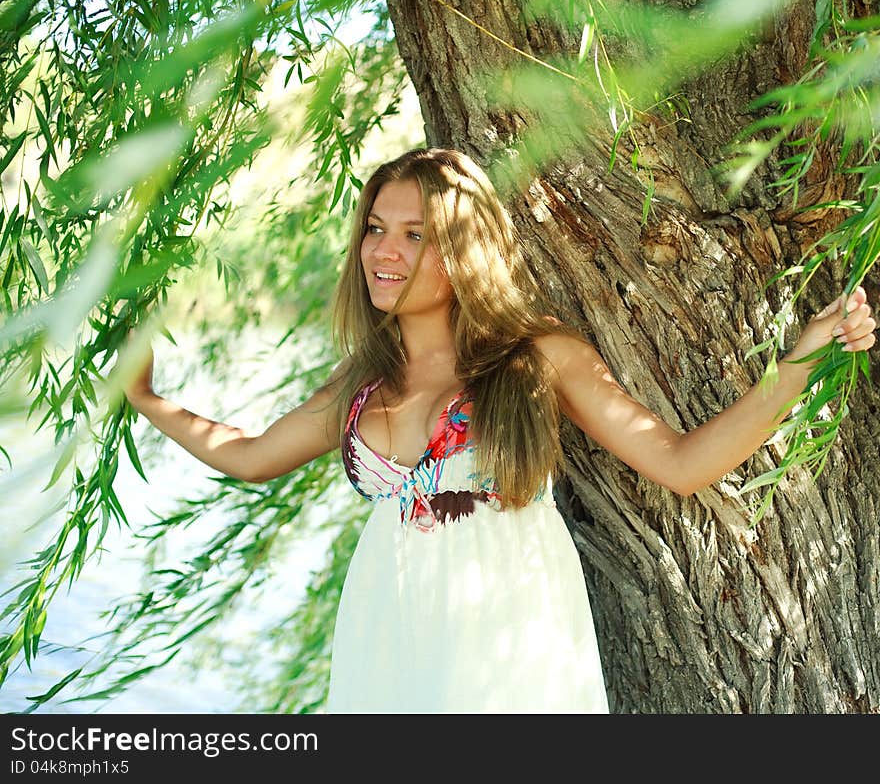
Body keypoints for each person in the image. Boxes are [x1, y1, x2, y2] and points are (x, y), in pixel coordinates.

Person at [123, 147, 877, 713]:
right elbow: (253, 456)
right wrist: (150, 400)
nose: (384, 251)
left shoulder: (538, 357)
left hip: (509, 625)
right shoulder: (362, 381)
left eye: (414, 234)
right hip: (387, 620)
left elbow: (682, 463)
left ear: (462, 248)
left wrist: (801, 362)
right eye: (376, 228)